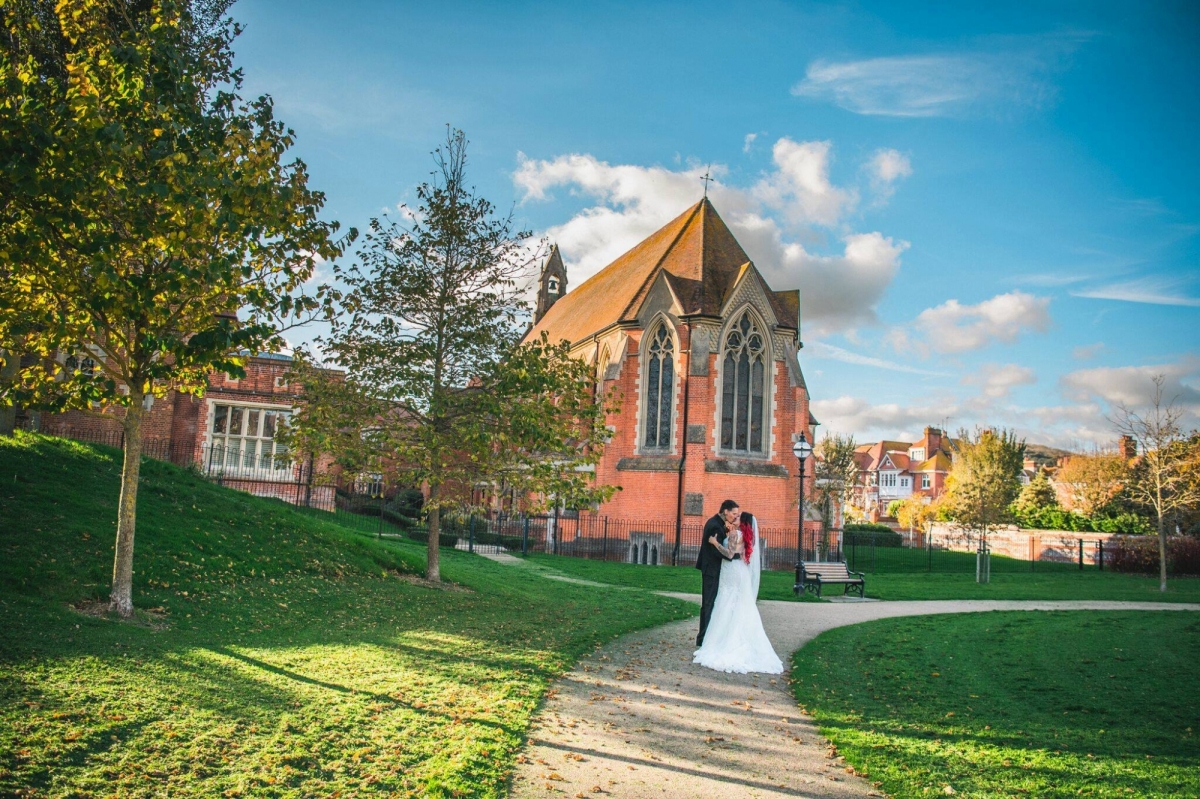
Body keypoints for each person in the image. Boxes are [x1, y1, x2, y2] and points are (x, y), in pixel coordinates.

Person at [693, 511, 783, 674]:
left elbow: (729, 554)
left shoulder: (735, 534)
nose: (735, 518)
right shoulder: (745, 536)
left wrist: (714, 542)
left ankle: (722, 642)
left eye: (738, 517)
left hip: (731, 572)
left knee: (726, 603)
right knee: (737, 605)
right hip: (741, 572)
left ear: (743, 522)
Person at [695, 499, 739, 646]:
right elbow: (716, 551)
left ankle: (705, 637)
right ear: (725, 511)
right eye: (733, 513)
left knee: (711, 602)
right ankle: (703, 638)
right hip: (711, 570)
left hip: (712, 569)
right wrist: (733, 554)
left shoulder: (717, 523)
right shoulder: (715, 525)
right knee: (708, 603)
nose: (735, 517)